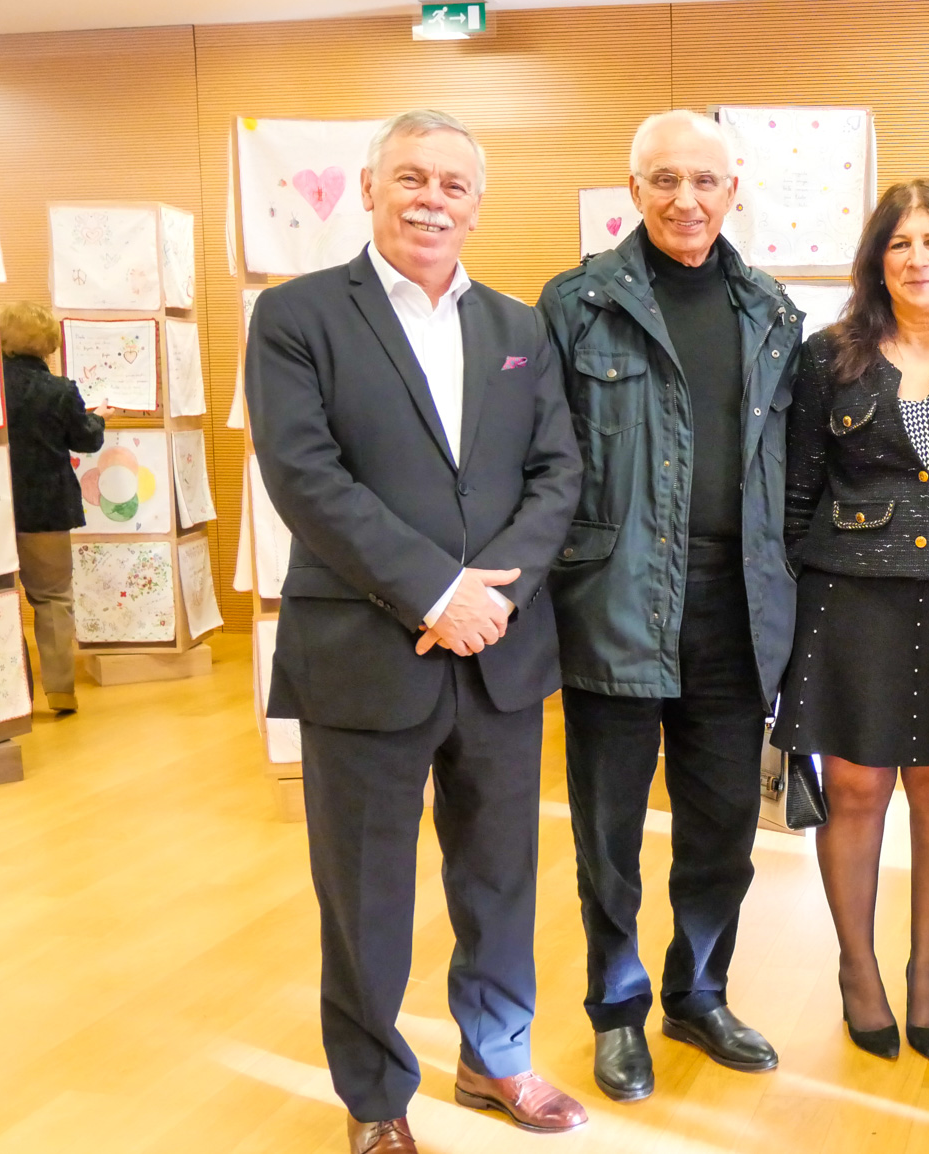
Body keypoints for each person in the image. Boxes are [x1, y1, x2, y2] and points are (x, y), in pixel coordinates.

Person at [247, 109, 586, 1153]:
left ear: (477, 206)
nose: (431, 199)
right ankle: (374, 1094)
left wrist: (497, 597)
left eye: (453, 184)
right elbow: (305, 477)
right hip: (363, 652)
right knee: (364, 890)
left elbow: (557, 473)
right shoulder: (296, 315)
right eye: (411, 177)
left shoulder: (520, 328)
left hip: (500, 654)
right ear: (368, 187)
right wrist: (439, 593)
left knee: (500, 874)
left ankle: (495, 1055)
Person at [538, 109, 803, 1104]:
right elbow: (542, 462)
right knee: (608, 833)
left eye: (704, 180)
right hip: (613, 601)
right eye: (663, 179)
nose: (685, 199)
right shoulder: (575, 304)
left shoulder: (770, 309)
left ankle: (698, 992)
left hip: (736, 611)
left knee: (724, 826)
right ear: (634, 189)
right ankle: (616, 1011)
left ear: (732, 190)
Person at [777, 178, 929, 1062]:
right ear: (877, 260)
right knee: (854, 787)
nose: (918, 259)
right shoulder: (827, 356)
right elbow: (797, 493)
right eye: (900, 243)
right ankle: (857, 969)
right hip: (850, 598)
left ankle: (927, 969)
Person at [0, 300, 106, 715]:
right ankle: (60, 691)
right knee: (53, 599)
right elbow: (86, 440)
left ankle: (7, 697)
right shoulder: (59, 390)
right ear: (48, 343)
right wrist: (99, 417)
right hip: (45, 509)